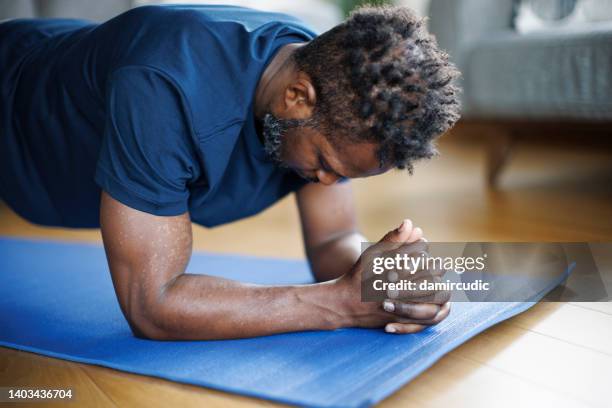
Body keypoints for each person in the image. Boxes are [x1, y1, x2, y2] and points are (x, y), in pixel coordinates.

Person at [0, 4, 460, 340]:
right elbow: (152, 306)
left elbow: (329, 241)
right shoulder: (162, 87)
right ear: (297, 98)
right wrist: (338, 304)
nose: (325, 184)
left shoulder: (323, 75)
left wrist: (385, 284)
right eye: (324, 164)